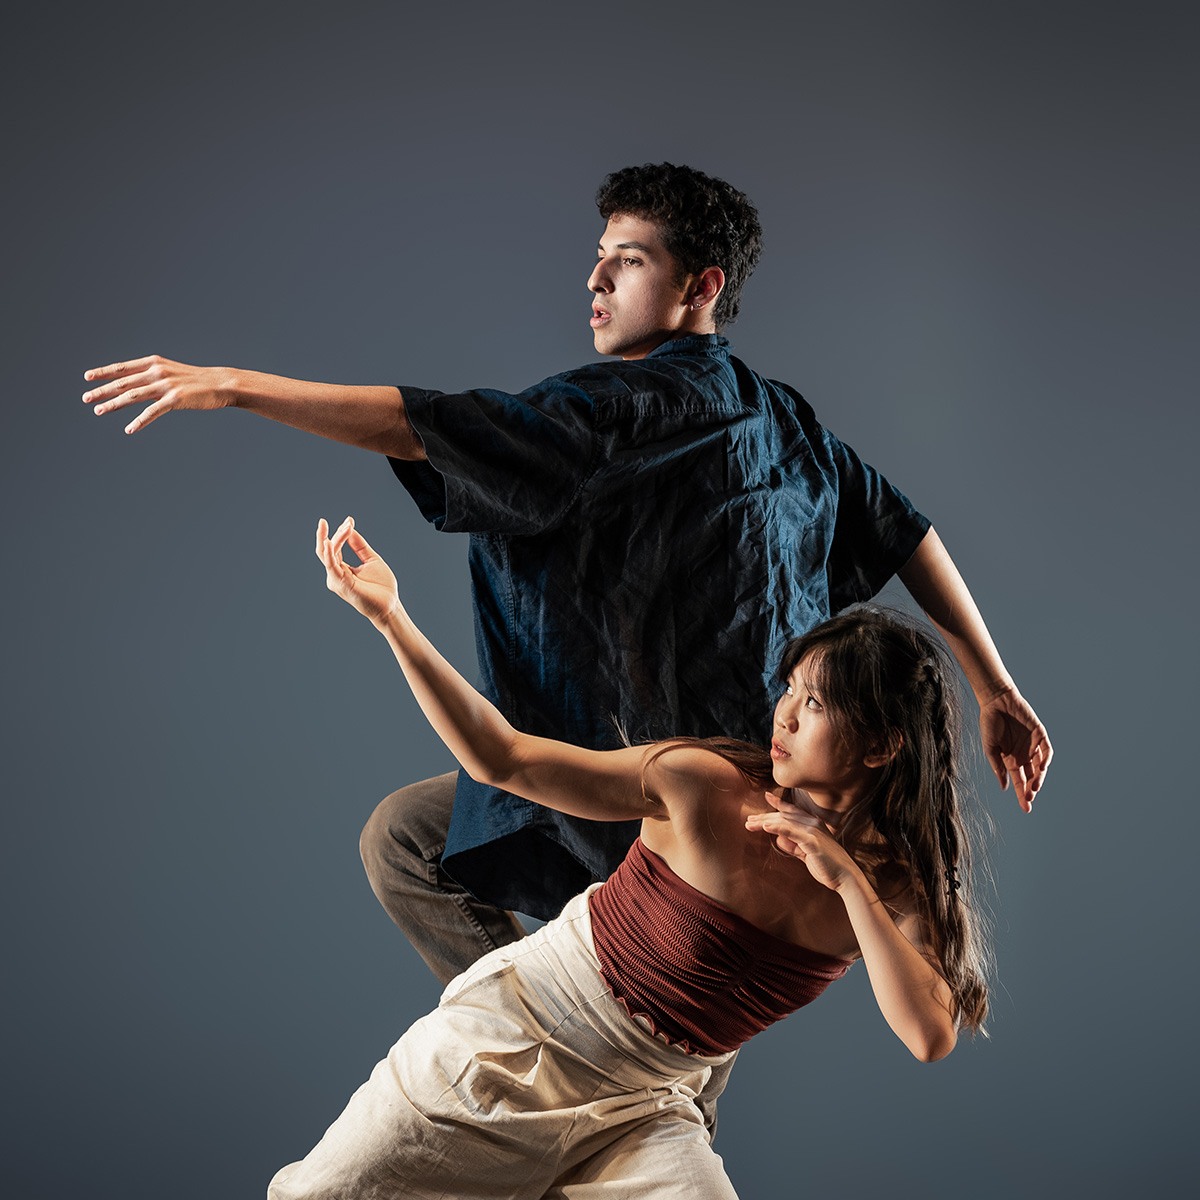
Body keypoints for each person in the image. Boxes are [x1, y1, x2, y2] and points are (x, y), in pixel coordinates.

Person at [83, 164, 1050, 1003]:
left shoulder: (621, 407)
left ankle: (567, 1055)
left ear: (700, 286)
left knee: (457, 876)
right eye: (599, 256)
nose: (595, 279)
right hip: (718, 797)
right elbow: (907, 530)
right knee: (417, 843)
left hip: (662, 800)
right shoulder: (784, 420)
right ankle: (569, 1052)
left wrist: (237, 386)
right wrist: (994, 686)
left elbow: (428, 425)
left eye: (627, 260)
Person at [267, 515, 992, 1199]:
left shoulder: (896, 886)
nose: (785, 715)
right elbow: (503, 757)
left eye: (818, 704)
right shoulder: (703, 784)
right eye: (791, 689)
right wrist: (391, 617)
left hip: (648, 1104)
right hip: (524, 1036)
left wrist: (847, 880)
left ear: (882, 745)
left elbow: (929, 1036)